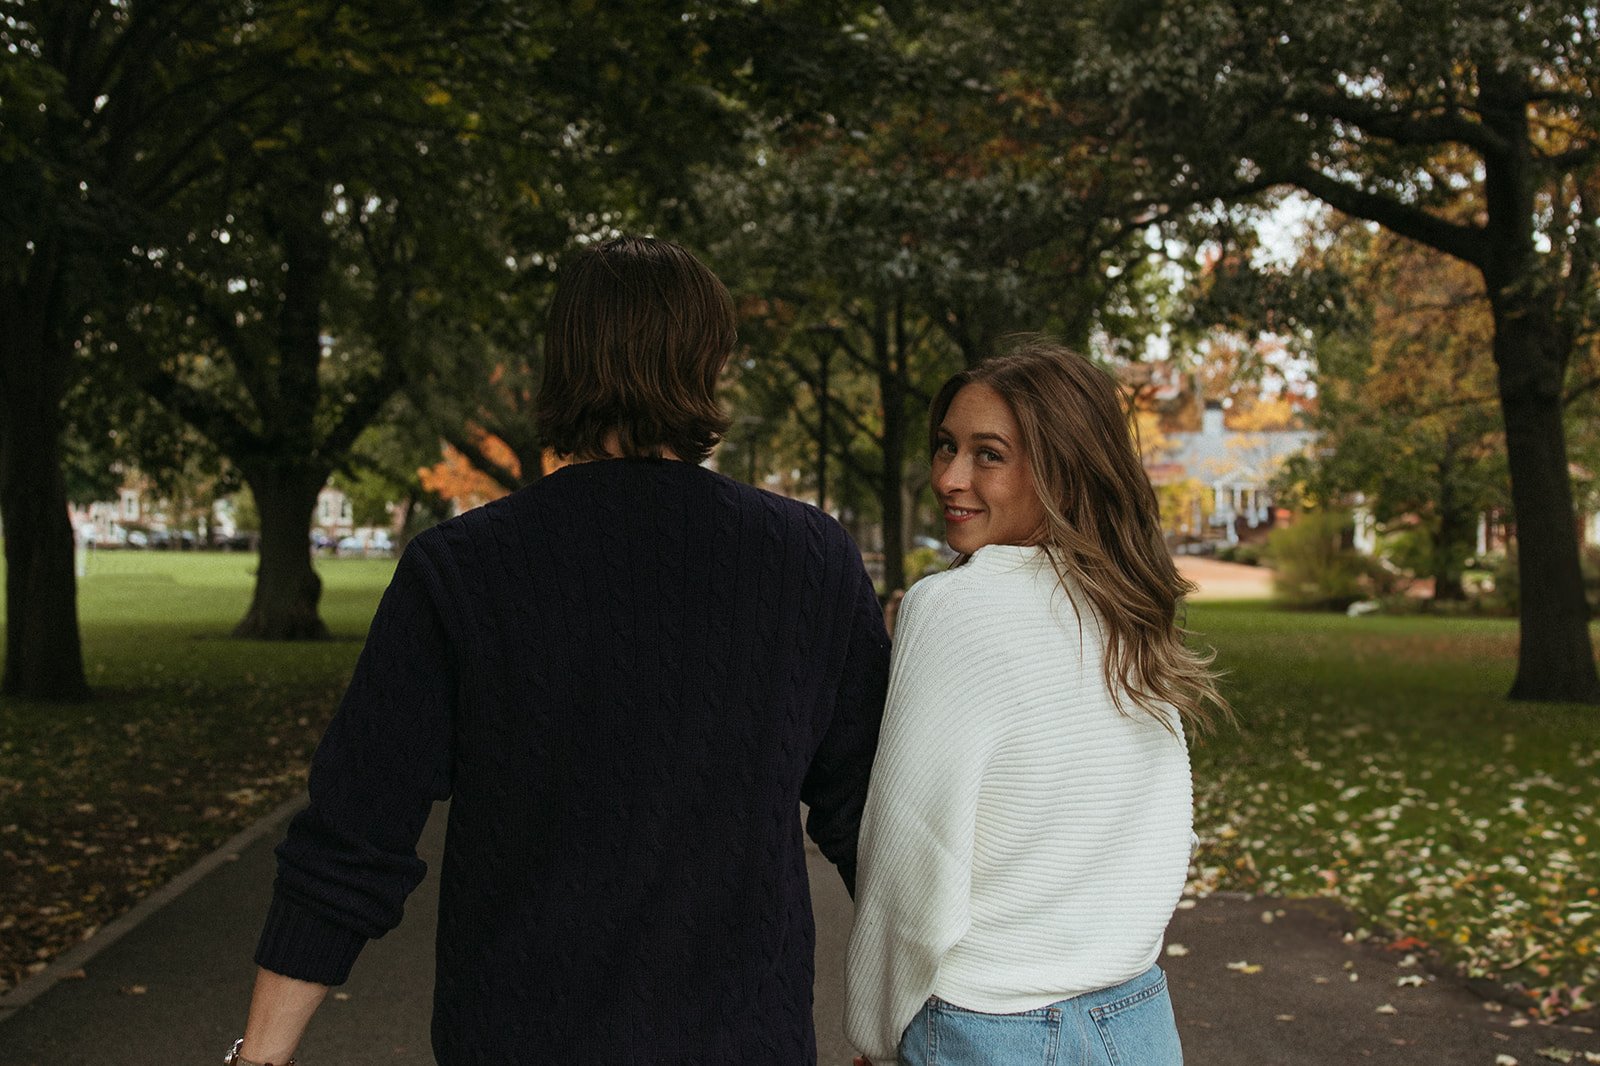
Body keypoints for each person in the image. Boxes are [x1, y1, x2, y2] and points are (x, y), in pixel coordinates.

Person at [227, 236, 891, 1066]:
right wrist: (915, 1018)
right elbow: (874, 821)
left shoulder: (463, 567)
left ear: (562, 359)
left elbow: (355, 834)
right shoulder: (811, 559)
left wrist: (261, 1057)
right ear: (709, 362)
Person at [842, 341, 1229, 1066]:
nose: (950, 477)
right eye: (946, 447)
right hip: (1135, 1016)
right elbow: (1166, 835)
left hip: (989, 1025)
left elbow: (912, 850)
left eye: (989, 454)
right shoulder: (1125, 609)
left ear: (1062, 470)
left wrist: (875, 1023)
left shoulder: (953, 606)